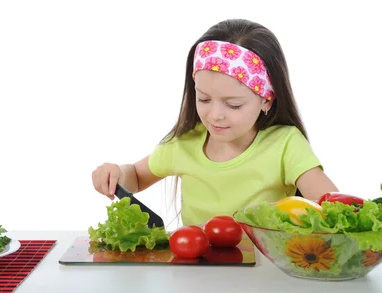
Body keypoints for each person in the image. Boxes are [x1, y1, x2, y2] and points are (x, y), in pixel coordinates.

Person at [91, 18, 339, 226]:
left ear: (266, 100)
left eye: (233, 105)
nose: (215, 115)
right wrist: (115, 174)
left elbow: (329, 203)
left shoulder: (285, 144)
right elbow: (135, 176)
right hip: (196, 275)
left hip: (263, 278)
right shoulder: (185, 143)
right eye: (204, 99)